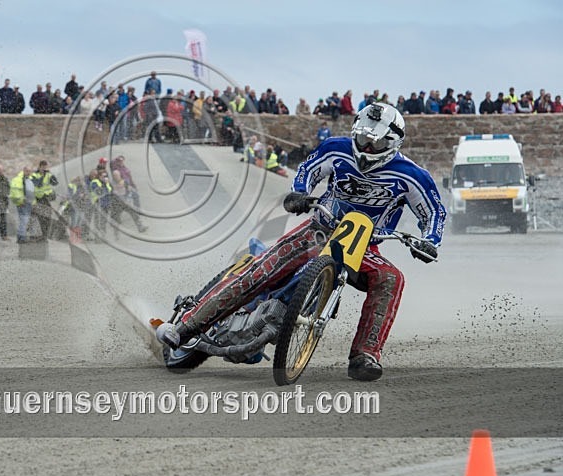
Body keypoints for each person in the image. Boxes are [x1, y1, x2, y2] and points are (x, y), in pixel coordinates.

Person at [158, 103, 445, 382]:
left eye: (374, 143)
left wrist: (430, 241)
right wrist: (299, 192)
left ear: (393, 142)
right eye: (361, 139)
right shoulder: (336, 148)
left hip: (365, 248)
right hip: (319, 229)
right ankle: (185, 328)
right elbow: (308, 170)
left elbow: (434, 213)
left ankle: (365, 355)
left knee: (391, 278)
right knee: (260, 271)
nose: (365, 148)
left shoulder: (412, 176)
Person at [10, 166, 40, 243]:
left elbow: (32, 193)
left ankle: (21, 236)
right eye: (27, 171)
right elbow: (15, 191)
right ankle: (21, 237)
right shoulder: (19, 179)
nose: (28, 172)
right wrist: (20, 201)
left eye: (29, 171)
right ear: (23, 170)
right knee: (24, 220)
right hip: (22, 203)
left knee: (24, 221)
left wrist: (34, 203)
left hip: (29, 204)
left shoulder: (29, 180)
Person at [31, 160, 59, 239]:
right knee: (40, 216)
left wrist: (53, 178)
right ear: (39, 167)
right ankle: (43, 233)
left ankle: (46, 234)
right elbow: (37, 184)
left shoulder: (48, 175)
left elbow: (55, 183)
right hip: (38, 198)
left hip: (47, 198)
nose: (44, 168)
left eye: (45, 167)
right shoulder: (34, 175)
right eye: (42, 167)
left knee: (47, 216)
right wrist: (42, 176)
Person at [0, 164, 11, 240]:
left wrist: (7, 196)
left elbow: (9, 188)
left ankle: (4, 235)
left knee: (3, 219)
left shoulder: (5, 179)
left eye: (0, 170)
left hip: (4, 201)